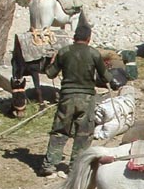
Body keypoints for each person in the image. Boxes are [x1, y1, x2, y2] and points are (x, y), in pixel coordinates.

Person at [39, 19, 118, 176]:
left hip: (67, 97)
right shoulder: (94, 53)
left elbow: (50, 73)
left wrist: (51, 61)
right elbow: (107, 78)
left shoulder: (64, 52)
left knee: (60, 130)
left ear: (74, 37)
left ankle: (49, 164)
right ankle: (75, 166)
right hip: (87, 98)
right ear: (88, 39)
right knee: (84, 133)